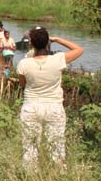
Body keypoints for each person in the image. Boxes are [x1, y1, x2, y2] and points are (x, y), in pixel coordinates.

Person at [16, 26, 83, 168]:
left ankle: (31, 180)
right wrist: (57, 39)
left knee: (30, 149)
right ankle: (58, 178)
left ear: (31, 44)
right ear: (48, 43)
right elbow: (79, 49)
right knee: (57, 148)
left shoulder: (24, 63)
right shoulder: (58, 60)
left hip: (31, 107)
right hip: (54, 107)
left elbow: (23, 84)